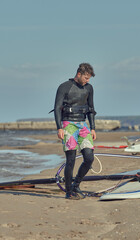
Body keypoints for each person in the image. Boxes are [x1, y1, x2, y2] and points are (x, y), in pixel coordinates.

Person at [53, 63, 97, 200]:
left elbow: (91, 109)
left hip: (83, 125)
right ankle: (68, 192)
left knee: (89, 158)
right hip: (68, 124)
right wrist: (59, 127)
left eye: (89, 78)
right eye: (86, 77)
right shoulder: (64, 87)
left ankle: (76, 184)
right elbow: (57, 107)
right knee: (70, 160)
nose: (87, 80)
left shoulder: (89, 88)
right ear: (79, 74)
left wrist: (93, 128)